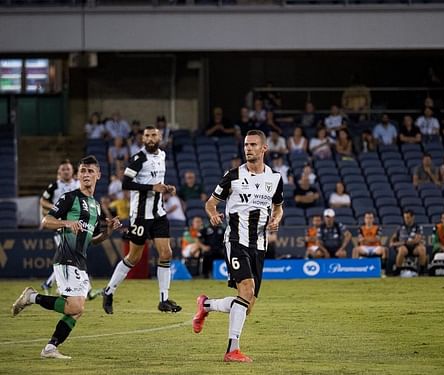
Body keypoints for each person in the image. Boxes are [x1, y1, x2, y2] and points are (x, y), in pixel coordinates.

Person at [12, 155, 121, 359]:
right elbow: (46, 220)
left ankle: (50, 347)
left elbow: (93, 240)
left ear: (98, 174)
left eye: (90, 171)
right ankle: (32, 297)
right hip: (65, 257)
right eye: (82, 171)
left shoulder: (96, 206)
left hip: (80, 260)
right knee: (75, 306)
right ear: (78, 175)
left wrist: (108, 231)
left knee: (77, 311)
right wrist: (66, 223)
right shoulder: (70, 197)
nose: (86, 174)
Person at [192, 129, 284, 363]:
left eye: (253, 145)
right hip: (236, 241)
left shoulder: (275, 178)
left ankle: (206, 305)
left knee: (247, 304)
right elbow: (211, 203)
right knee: (246, 292)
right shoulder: (232, 176)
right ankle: (232, 350)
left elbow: (278, 207)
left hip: (259, 245)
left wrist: (276, 219)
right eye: (246, 145)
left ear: (264, 148)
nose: (248, 148)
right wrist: (212, 215)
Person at [102, 126, 182, 314]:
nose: (150, 138)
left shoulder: (162, 155)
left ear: (160, 137)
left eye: (154, 135)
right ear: (143, 139)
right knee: (134, 257)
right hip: (140, 216)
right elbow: (126, 183)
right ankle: (109, 290)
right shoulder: (138, 158)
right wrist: (152, 188)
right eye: (147, 135)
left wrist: (166, 188)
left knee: (166, 253)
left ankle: (163, 300)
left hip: (159, 214)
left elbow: (157, 182)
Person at [39, 160, 80, 294]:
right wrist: (55, 207)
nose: (66, 171)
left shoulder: (78, 184)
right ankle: (65, 285)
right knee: (68, 256)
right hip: (61, 226)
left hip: (76, 224)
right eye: (63, 169)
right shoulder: (54, 186)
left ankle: (49, 283)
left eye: (68, 169)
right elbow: (42, 200)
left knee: (69, 256)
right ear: (59, 172)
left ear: (72, 171)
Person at [390, 209, 427, 275]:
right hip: (403, 247)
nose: (406, 219)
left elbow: (417, 240)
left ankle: (422, 270)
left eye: (408, 218)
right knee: (402, 250)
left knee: (422, 249)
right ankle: (398, 270)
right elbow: (393, 239)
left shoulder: (417, 227)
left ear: (412, 217)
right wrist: (400, 243)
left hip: (414, 247)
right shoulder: (400, 227)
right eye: (405, 218)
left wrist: (408, 242)